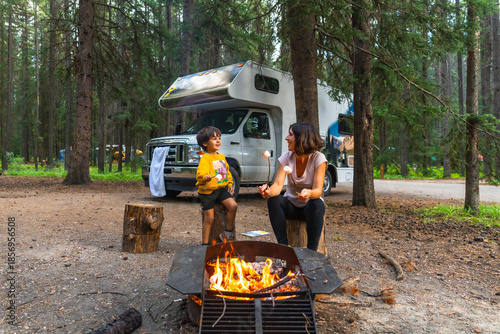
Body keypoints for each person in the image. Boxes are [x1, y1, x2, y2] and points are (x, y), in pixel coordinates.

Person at [258, 122, 327, 251]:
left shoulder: (318, 158)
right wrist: (268, 191)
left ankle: (312, 252)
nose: (286, 138)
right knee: (273, 200)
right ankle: (283, 248)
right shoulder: (286, 157)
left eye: (290, 135)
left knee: (317, 203)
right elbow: (278, 185)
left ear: (302, 138)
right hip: (290, 207)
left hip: (309, 209)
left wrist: (309, 193)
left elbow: (318, 190)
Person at [196, 126, 238, 245]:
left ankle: (227, 231)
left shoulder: (221, 157)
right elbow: (200, 172)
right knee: (210, 218)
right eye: (214, 138)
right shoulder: (205, 158)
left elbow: (227, 172)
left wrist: (230, 183)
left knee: (233, 206)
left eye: (219, 138)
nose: (218, 141)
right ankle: (204, 245)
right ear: (205, 143)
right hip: (207, 191)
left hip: (221, 189)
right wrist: (205, 177)